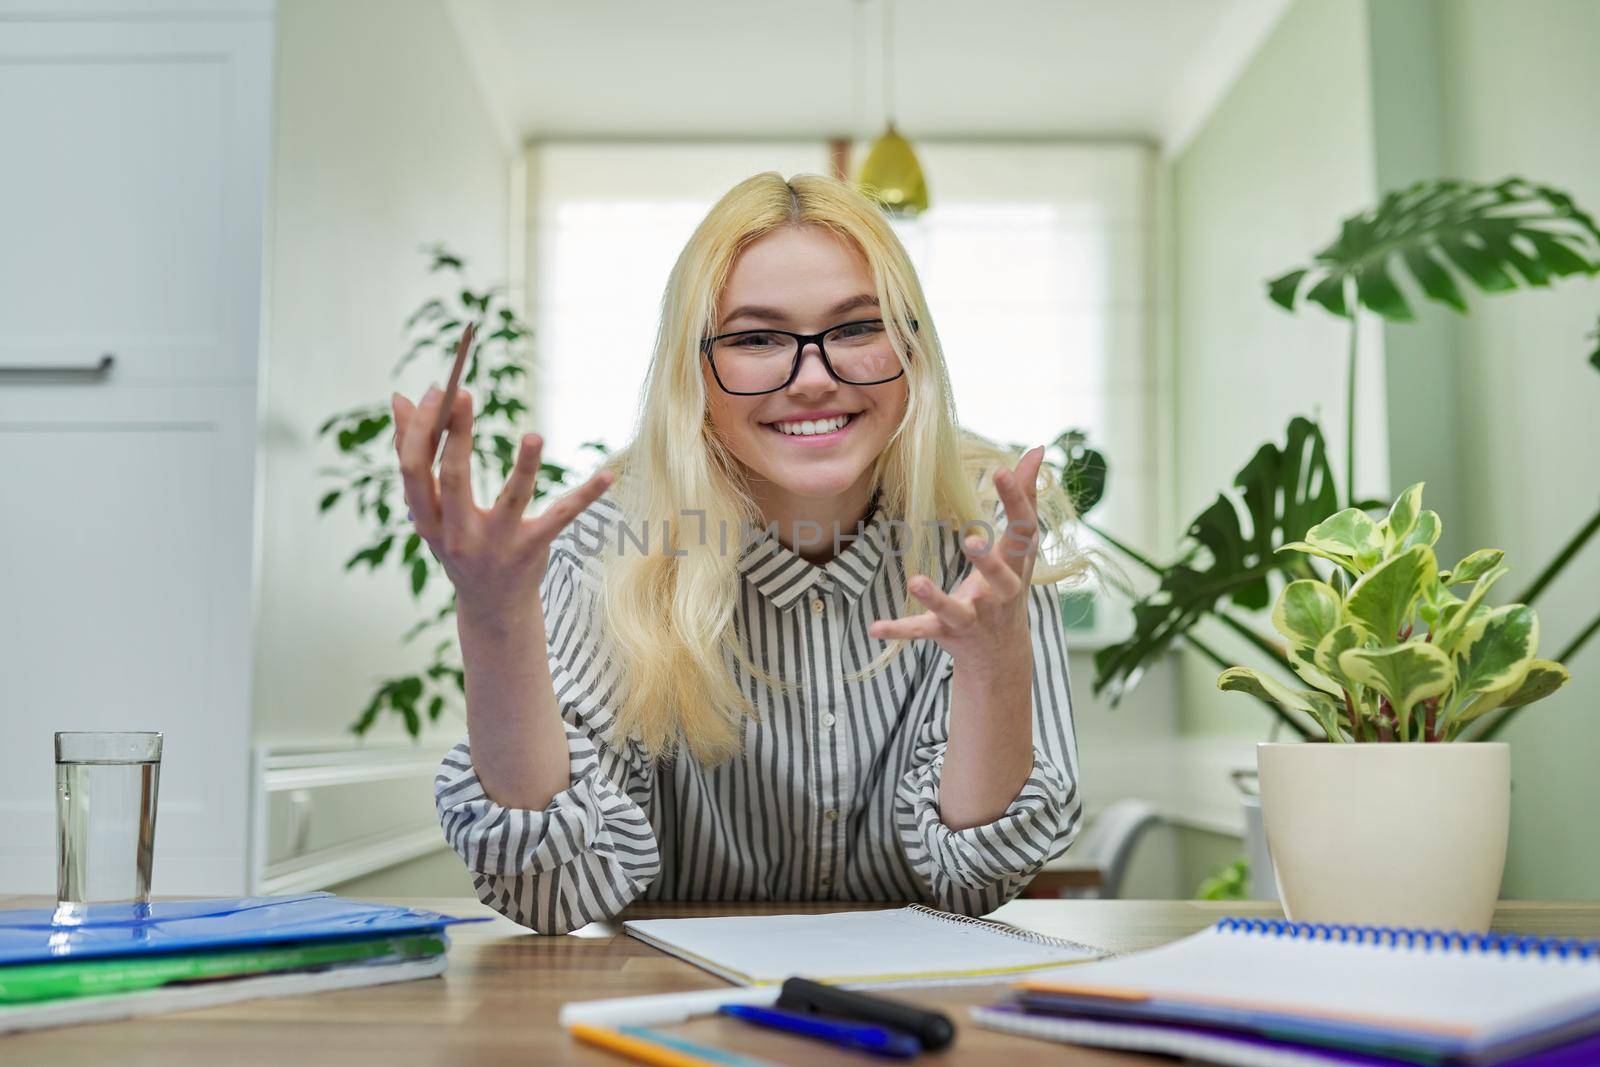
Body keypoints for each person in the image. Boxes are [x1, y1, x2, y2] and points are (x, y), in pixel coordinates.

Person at [391, 172, 1093, 935]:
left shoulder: (987, 547)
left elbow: (976, 879)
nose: (816, 378)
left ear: (913, 349)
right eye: (757, 338)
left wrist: (997, 660)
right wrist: (495, 619)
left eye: (858, 328)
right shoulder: (611, 551)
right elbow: (552, 889)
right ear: (693, 374)